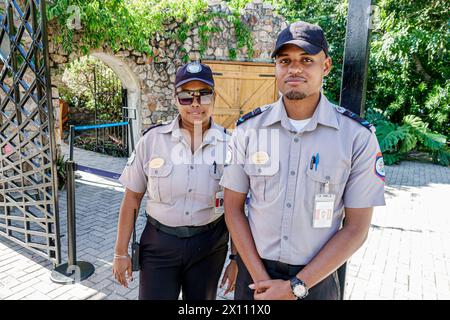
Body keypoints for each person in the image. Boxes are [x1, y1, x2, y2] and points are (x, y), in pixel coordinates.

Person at [220, 21, 386, 300]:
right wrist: (261, 280)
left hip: (316, 280)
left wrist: (295, 286)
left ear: (326, 66)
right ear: (276, 67)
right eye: (285, 60)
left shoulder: (357, 137)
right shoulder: (249, 130)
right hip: (255, 276)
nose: (294, 68)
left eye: (306, 60)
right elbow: (234, 209)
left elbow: (357, 227)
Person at [112, 62, 237, 300]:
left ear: (215, 97)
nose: (196, 103)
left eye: (203, 94)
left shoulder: (231, 145)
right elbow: (131, 200)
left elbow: (235, 209)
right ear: (175, 99)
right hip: (159, 245)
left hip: (209, 248)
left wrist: (235, 258)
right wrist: (120, 253)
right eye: (186, 97)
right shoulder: (152, 141)